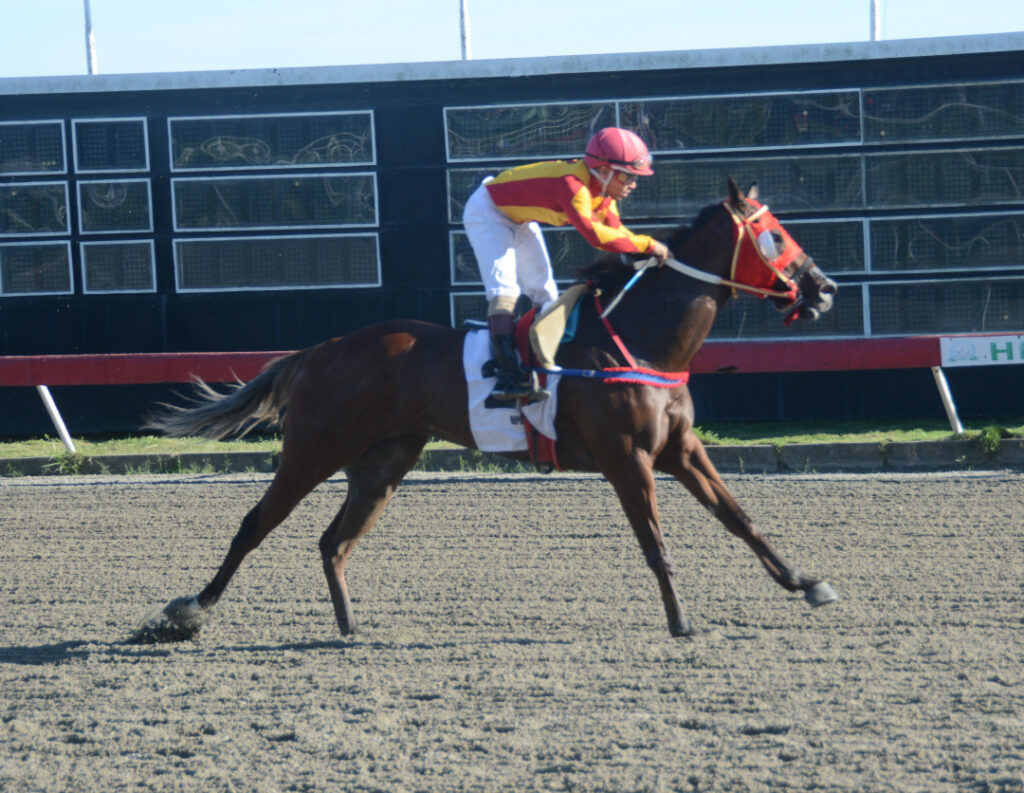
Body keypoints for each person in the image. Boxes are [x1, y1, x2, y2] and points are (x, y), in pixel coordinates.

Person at [463, 126, 670, 403]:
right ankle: (506, 378)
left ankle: (545, 364)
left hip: (520, 219)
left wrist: (645, 252)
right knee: (505, 290)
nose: (633, 184)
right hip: (488, 210)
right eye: (628, 176)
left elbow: (618, 232)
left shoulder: (603, 192)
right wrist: (648, 245)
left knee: (546, 294)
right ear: (604, 171)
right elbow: (596, 236)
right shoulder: (574, 187)